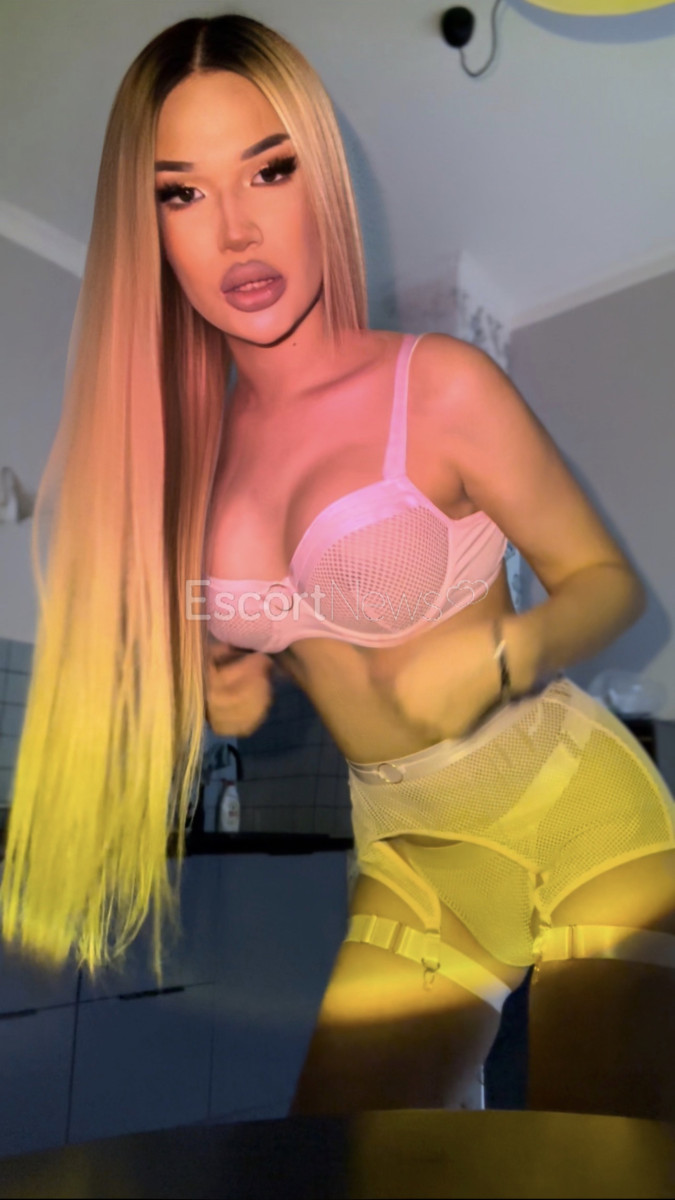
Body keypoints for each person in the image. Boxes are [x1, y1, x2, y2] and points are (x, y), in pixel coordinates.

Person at [2, 12, 675, 1121]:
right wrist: (225, 683)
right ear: (147, 230)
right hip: (409, 851)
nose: (235, 230)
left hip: (572, 808)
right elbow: (267, 648)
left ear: (322, 179)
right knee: (338, 1162)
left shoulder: (440, 385)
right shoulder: (194, 463)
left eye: (269, 170)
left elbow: (606, 583)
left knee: (592, 1161)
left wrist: (503, 655)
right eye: (182, 193)